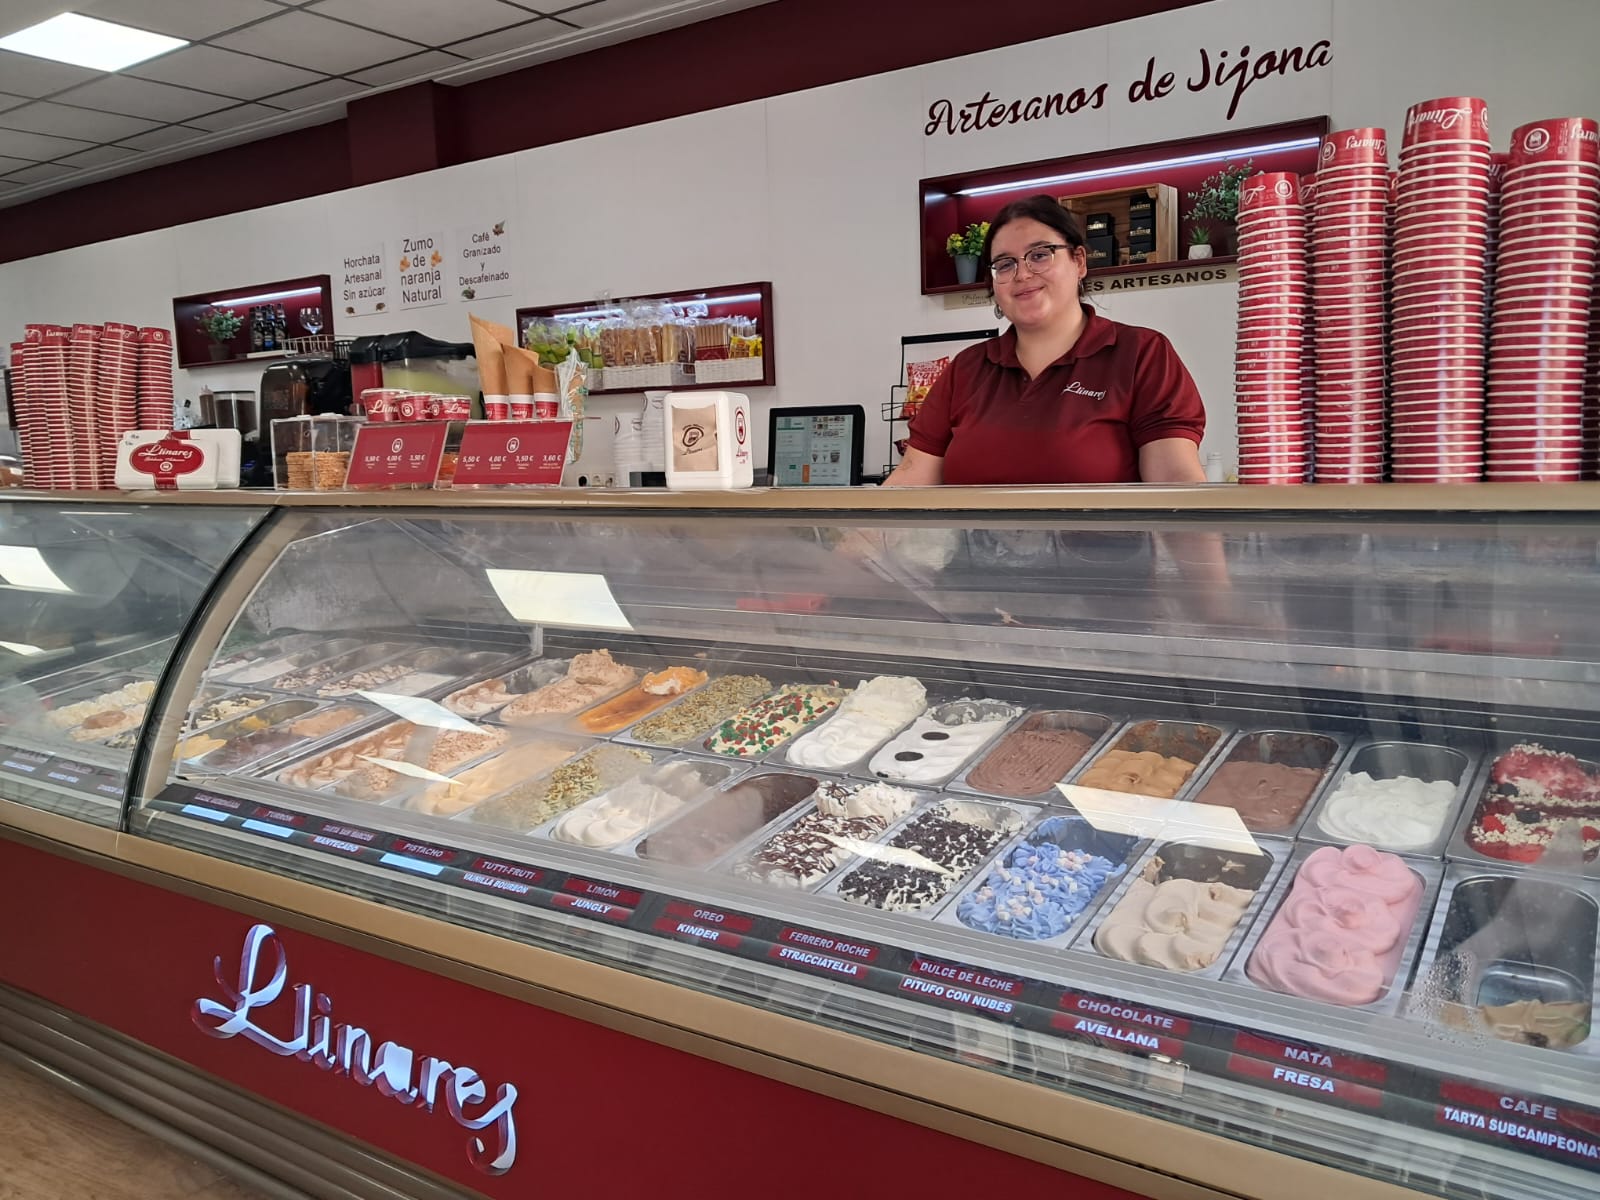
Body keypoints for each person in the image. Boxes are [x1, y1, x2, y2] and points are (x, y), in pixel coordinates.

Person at [885, 194, 1209, 486]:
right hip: (974, 555)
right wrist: (848, 546)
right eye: (1005, 264)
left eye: (1039, 255)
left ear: (1079, 261)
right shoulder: (966, 370)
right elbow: (911, 477)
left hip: (1101, 555)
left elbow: (1176, 485)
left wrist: (1206, 554)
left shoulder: (1142, 355)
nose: (1022, 274)